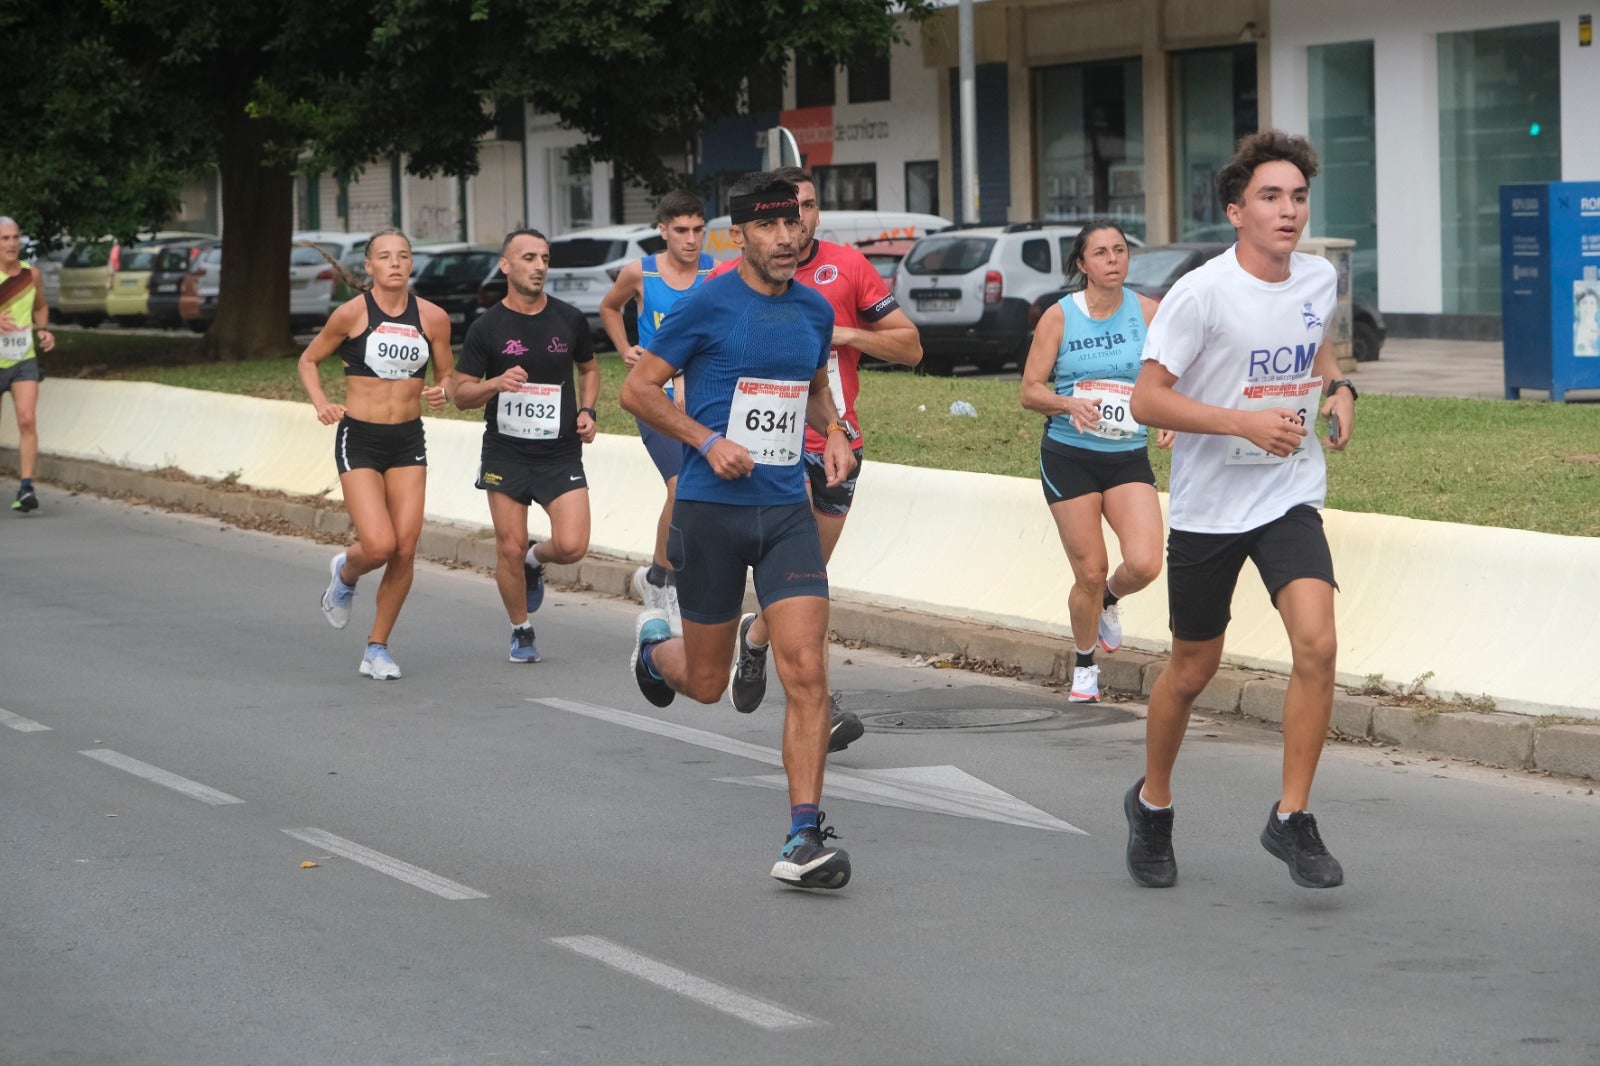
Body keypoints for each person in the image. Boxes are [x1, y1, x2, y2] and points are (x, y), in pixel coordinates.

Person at [1127, 130, 1356, 890]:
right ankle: (1152, 804)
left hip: (1286, 493)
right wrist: (1241, 421)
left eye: (1297, 197)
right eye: (1270, 197)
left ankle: (1291, 818)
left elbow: (1313, 340)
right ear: (1236, 211)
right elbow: (1146, 398)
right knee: (1192, 670)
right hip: (1210, 505)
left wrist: (1340, 386)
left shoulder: (1317, 278)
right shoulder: (1201, 293)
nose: (1287, 211)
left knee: (1317, 646)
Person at [620, 172, 856, 890]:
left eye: (795, 225)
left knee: (808, 670)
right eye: (769, 227)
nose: (787, 238)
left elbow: (810, 388)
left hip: (785, 510)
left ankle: (803, 836)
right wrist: (703, 440)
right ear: (741, 235)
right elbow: (639, 389)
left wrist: (836, 432)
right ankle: (654, 648)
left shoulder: (814, 311)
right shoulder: (707, 304)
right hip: (711, 513)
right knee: (703, 682)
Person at [710, 165, 923, 752]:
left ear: (816, 213)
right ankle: (820, 710)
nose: (793, 223)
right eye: (780, 214)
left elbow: (911, 348)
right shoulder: (731, 280)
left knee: (808, 583)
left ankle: (756, 639)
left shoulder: (847, 268)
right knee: (806, 584)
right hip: (770, 455)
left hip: (836, 443)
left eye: (802, 208)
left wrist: (848, 336)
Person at [1019, 220, 1171, 704]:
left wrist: (1171, 413)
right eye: (1101, 253)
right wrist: (1068, 404)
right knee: (1088, 569)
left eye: (1120, 250)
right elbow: (1030, 391)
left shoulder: (1149, 313)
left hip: (1126, 455)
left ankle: (1108, 599)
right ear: (1082, 264)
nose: (1113, 260)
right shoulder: (1059, 318)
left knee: (1145, 563)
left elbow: (1176, 375)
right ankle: (1085, 666)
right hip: (1069, 456)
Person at [297, 228, 455, 680]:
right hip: (360, 439)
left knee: (404, 551)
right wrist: (322, 403)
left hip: (408, 439)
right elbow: (308, 361)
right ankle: (346, 573)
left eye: (403, 256)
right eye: (384, 257)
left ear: (411, 264)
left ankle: (377, 648)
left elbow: (448, 373)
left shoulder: (433, 318)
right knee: (380, 545)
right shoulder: (350, 314)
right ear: (369, 267)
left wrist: (443, 390)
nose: (395, 263)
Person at [451, 228, 598, 663]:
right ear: (506, 265)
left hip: (559, 451)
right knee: (508, 546)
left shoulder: (569, 319)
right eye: (529, 257)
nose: (539, 266)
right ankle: (521, 629)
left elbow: (589, 369)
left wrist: (588, 411)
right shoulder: (487, 326)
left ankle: (536, 560)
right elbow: (460, 394)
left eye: (545, 258)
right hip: (506, 452)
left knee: (572, 547)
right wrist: (496, 382)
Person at [598, 190, 713, 633]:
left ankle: (653, 573)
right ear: (663, 231)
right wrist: (626, 348)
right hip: (654, 396)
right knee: (681, 487)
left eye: (698, 230)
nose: (690, 239)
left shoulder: (715, 273)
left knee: (697, 492)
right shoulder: (640, 272)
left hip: (702, 396)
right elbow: (610, 307)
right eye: (680, 231)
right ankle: (665, 587)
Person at [0, 218, 56, 513]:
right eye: (4, 238)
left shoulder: (30, 275)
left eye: (14, 237)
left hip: (23, 359)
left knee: (26, 419)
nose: (11, 244)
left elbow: (41, 306)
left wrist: (44, 329)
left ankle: (25, 488)